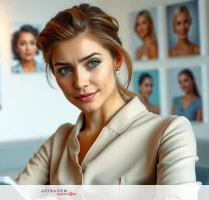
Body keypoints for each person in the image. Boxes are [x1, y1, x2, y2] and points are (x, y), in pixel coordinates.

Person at [16, 4, 199, 185]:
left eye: (93, 63)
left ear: (117, 60)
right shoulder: (60, 140)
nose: (80, 82)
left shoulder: (168, 132)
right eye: (64, 70)